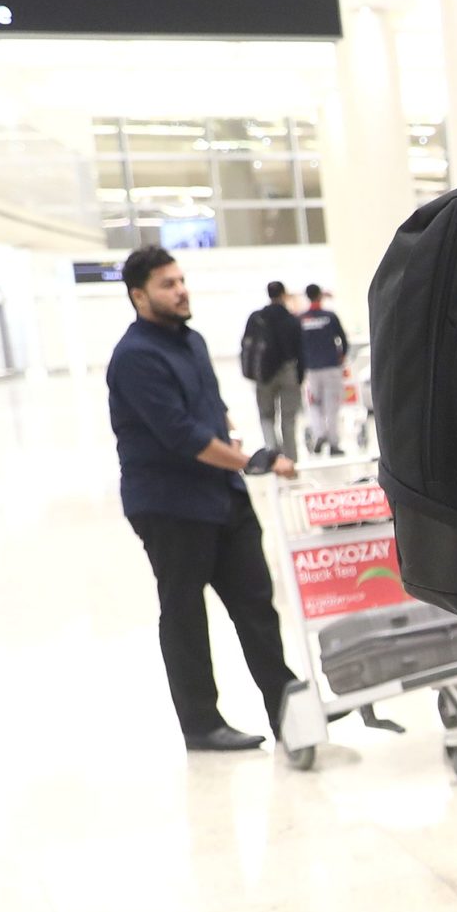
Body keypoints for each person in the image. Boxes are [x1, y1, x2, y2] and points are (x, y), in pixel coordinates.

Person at [104, 245, 300, 752]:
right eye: (167, 284)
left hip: (222, 496)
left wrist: (230, 433)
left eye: (181, 280)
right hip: (171, 506)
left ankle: (289, 711)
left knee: (256, 605)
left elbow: (211, 409)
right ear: (139, 296)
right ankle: (201, 724)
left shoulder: (191, 342)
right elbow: (181, 435)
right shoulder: (135, 357)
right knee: (186, 613)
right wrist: (252, 460)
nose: (181, 290)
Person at [240, 279, 305, 458]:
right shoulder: (291, 319)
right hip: (288, 371)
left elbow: (247, 345)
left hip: (263, 373)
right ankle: (291, 460)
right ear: (283, 294)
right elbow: (301, 350)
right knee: (288, 419)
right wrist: (299, 376)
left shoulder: (256, 318)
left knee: (266, 416)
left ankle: (273, 456)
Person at [298, 283, 350, 456]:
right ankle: (334, 443)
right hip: (331, 367)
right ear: (320, 295)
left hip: (312, 370)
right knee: (332, 406)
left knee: (314, 404)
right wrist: (341, 356)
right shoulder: (330, 316)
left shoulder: (301, 319)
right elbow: (343, 340)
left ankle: (320, 434)